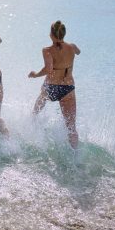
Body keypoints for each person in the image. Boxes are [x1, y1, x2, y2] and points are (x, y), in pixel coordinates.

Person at [29, 21, 80, 149]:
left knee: (40, 101)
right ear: (64, 34)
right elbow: (78, 51)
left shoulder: (47, 50)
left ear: (51, 35)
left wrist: (35, 75)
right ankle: (76, 157)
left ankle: (31, 123)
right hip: (68, 88)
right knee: (71, 126)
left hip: (51, 87)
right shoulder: (72, 47)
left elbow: (48, 69)